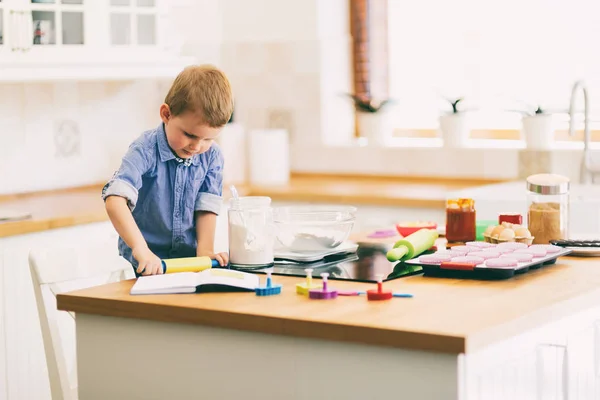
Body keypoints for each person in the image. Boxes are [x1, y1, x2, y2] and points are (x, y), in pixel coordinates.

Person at [101, 65, 233, 276]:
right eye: (190, 135)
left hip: (188, 267)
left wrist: (205, 251)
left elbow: (206, 206)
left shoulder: (213, 156)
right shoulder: (144, 149)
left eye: (208, 138)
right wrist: (141, 250)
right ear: (166, 114)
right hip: (144, 267)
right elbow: (115, 201)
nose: (197, 147)